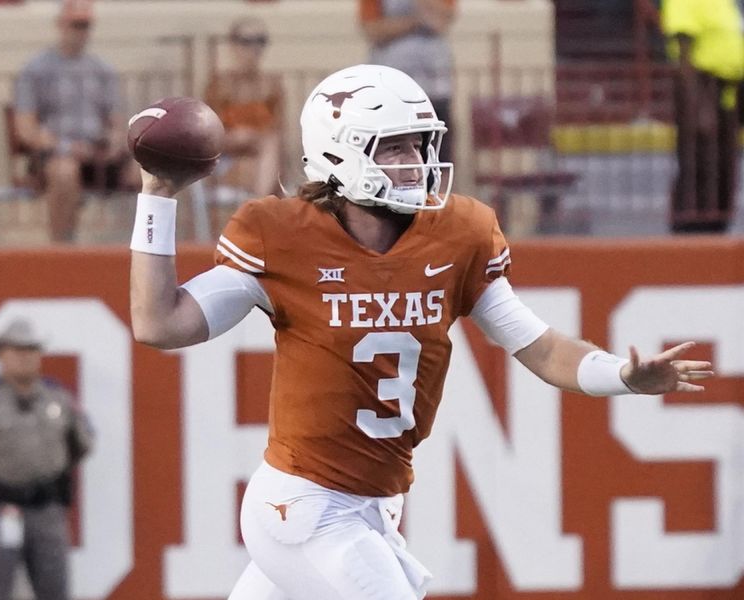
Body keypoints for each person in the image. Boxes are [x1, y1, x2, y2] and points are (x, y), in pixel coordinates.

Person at [128, 64, 713, 599]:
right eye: (395, 147)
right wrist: (157, 198)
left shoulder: (459, 235)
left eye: (420, 144)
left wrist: (622, 375)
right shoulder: (280, 235)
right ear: (339, 153)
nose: (415, 162)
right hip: (301, 505)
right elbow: (161, 322)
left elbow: (542, 348)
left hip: (376, 506)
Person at [0, 317, 94, 600]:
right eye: (16, 350)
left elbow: (82, 444)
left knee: (55, 588)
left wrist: (52, 469)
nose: (24, 357)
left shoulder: (58, 399)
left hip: (48, 506)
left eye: (31, 349)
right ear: (1, 354)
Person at [13, 0, 138, 242]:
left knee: (151, 175)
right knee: (64, 172)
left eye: (86, 25)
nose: (81, 31)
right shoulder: (36, 70)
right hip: (54, 154)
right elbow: (26, 128)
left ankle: (145, 251)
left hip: (97, 154)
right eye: (76, 24)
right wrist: (67, 148)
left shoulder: (103, 70)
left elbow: (116, 122)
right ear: (61, 25)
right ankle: (63, 249)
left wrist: (112, 144)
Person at [661, 0, 744, 233]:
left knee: (724, 162)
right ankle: (691, 227)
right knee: (700, 159)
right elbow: (683, 50)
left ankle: (718, 222)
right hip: (701, 86)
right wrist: (698, 105)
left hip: (727, 89)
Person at [359, 0, 456, 164]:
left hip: (434, 85)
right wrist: (415, 21)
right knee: (391, 148)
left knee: (437, 152)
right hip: (390, 86)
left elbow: (440, 21)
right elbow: (373, 30)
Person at [204, 16, 283, 200]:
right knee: (262, 155)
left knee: (265, 154)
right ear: (233, 45)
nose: (254, 48)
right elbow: (209, 136)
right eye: (246, 41)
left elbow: (279, 131)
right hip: (227, 160)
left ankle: (257, 209)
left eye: (260, 41)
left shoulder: (271, 86)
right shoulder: (220, 85)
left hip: (260, 160)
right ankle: (259, 209)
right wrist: (242, 136)